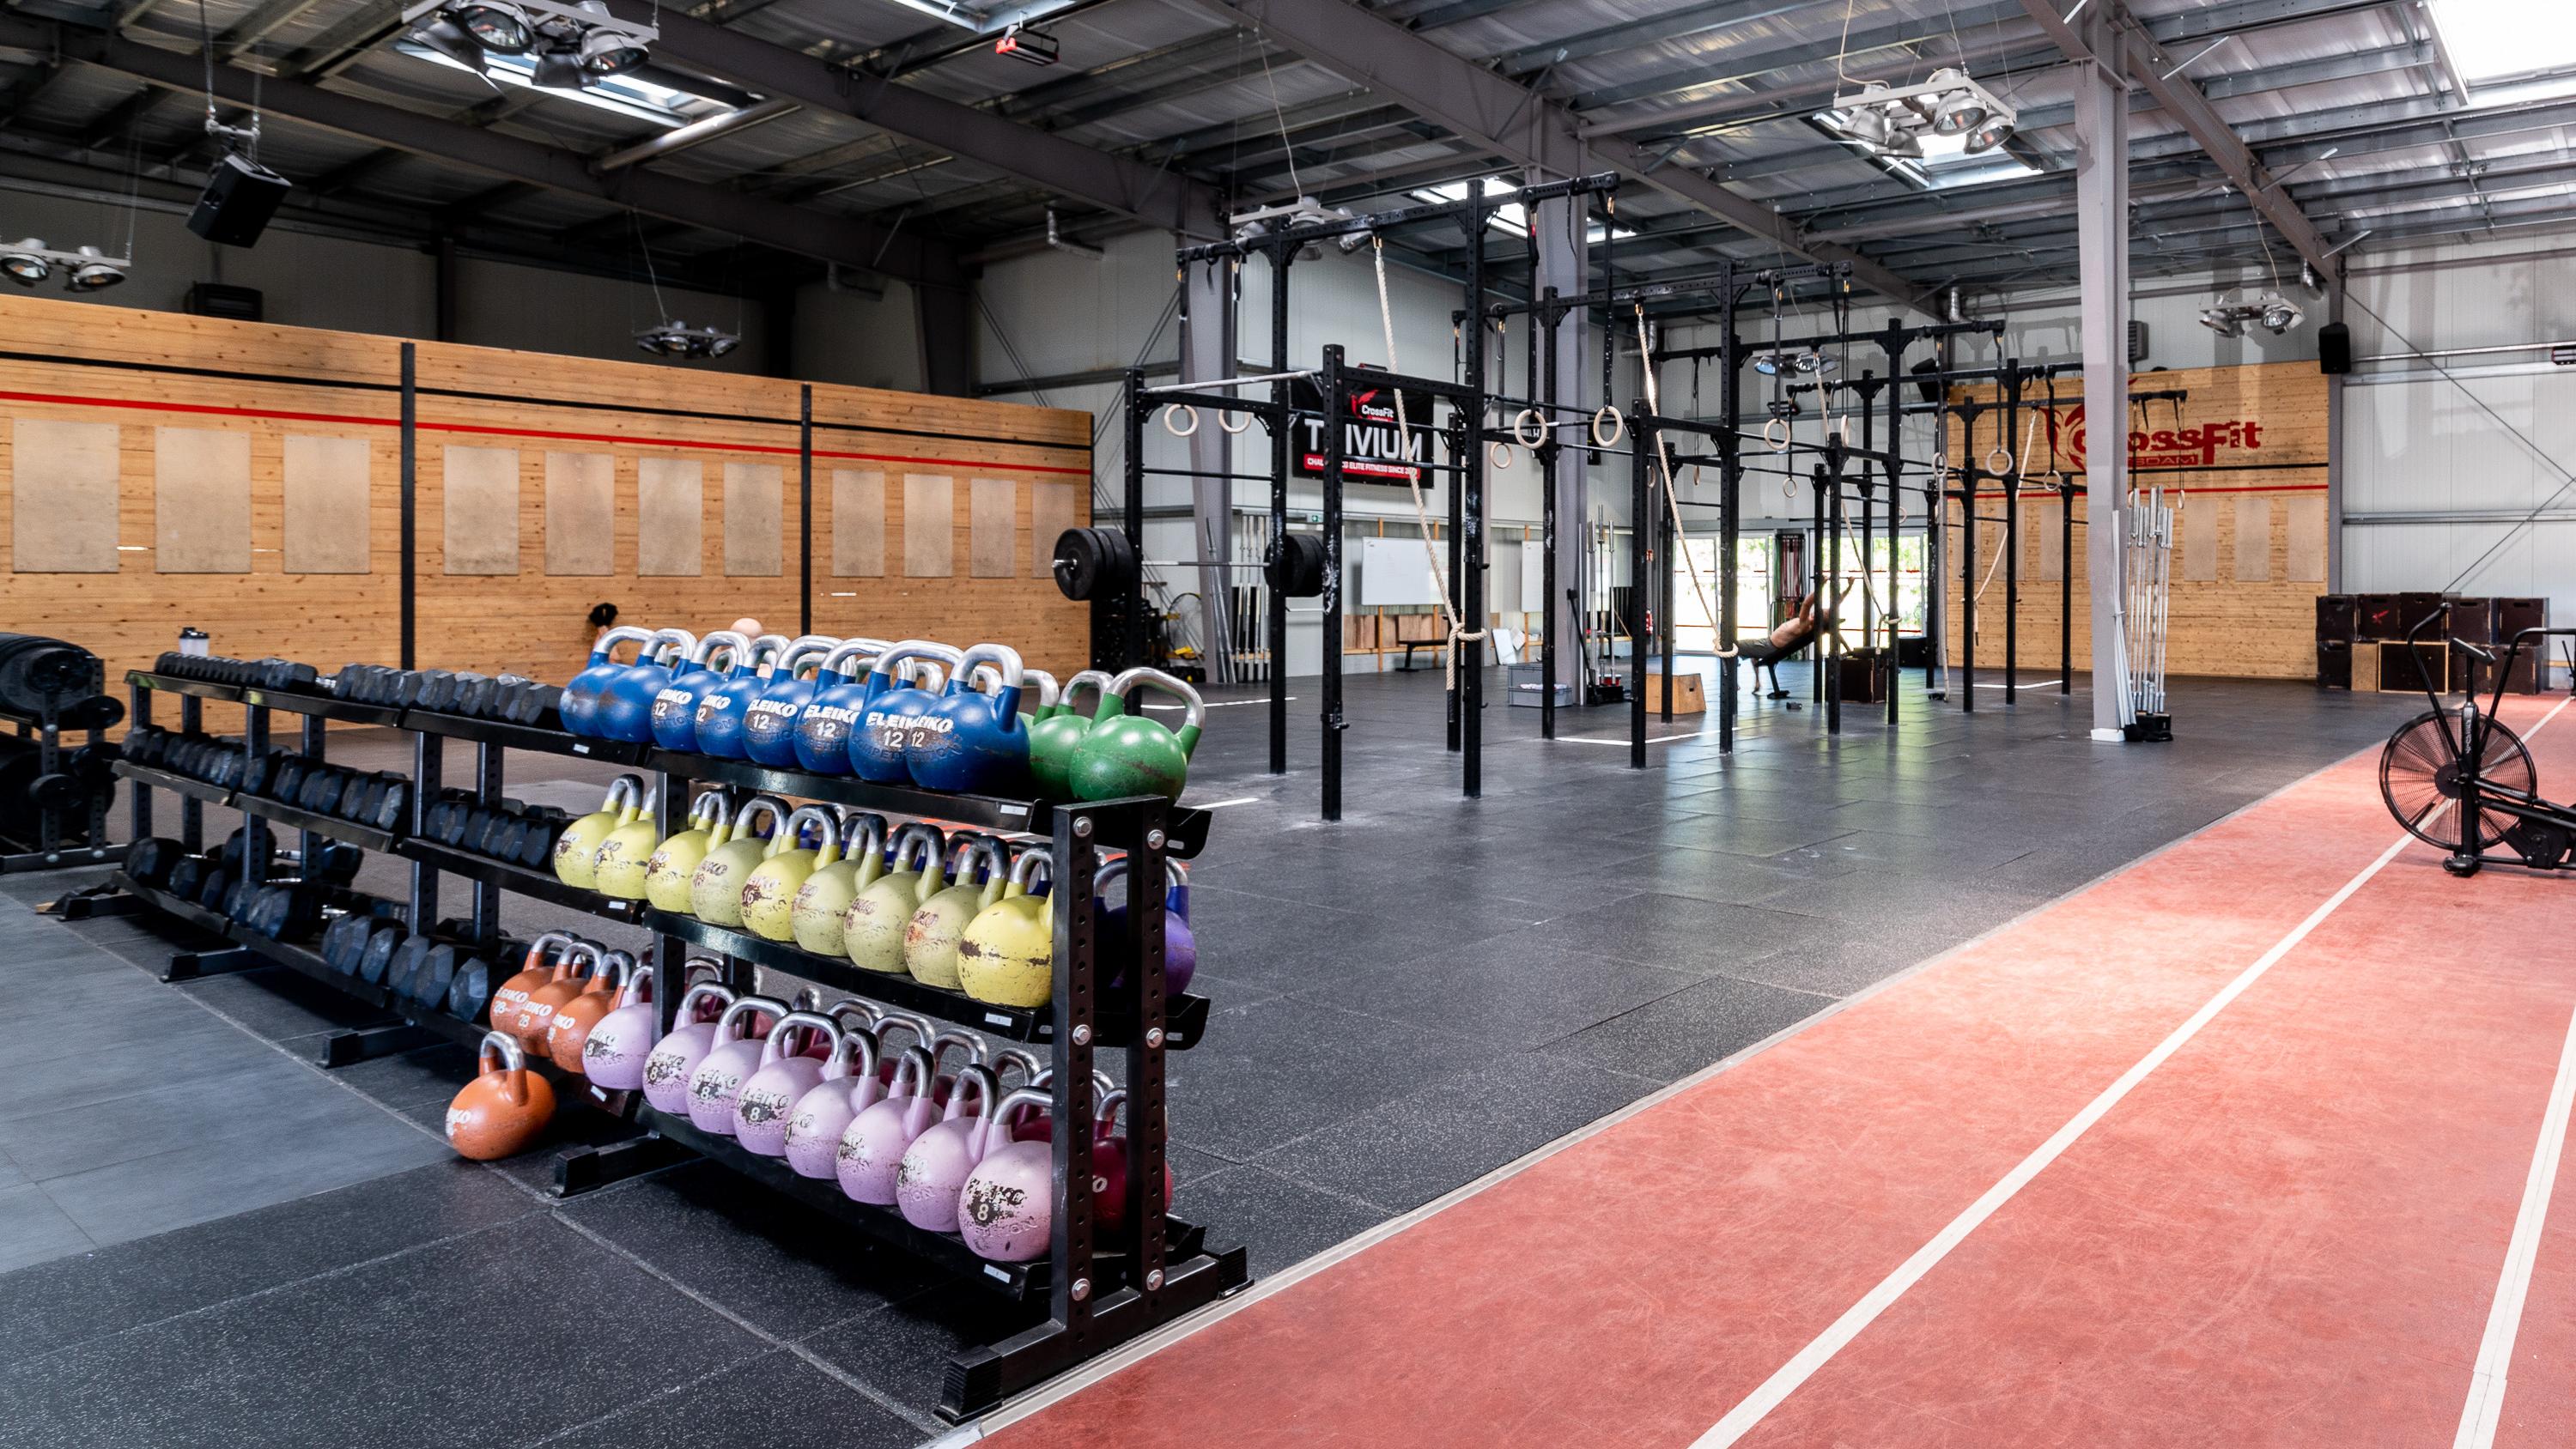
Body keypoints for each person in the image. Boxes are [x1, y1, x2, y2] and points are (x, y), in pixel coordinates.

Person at [1735, 586, 1841, 700]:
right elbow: (1834, 606)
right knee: (1753, 656)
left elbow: (1806, 604)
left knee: (1732, 647)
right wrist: (1848, 588)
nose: (1816, 612)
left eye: (1820, 613)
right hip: (1767, 643)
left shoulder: (1804, 624)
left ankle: (1733, 683)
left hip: (1769, 646)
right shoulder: (1809, 624)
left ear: (1818, 619)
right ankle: (1757, 682)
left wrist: (1820, 585)